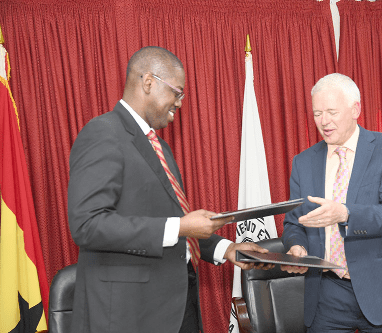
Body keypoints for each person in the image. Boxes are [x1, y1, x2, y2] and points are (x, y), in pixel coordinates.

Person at [67, 46, 270, 333]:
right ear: (148, 82)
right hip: (129, 315)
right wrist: (179, 227)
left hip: (176, 308)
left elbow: (174, 221)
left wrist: (229, 249)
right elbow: (87, 225)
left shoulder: (159, 146)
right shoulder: (103, 132)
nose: (180, 103)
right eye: (177, 92)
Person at [281, 73, 382, 332]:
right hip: (327, 294)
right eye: (317, 113)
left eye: (332, 112)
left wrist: (345, 213)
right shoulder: (303, 162)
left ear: (355, 109)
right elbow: (294, 222)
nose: (324, 122)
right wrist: (297, 246)